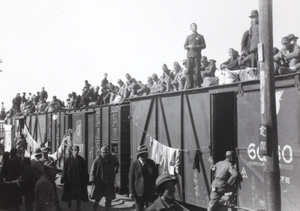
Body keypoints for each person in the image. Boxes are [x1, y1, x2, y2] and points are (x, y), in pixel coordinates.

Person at [89, 145, 120, 211]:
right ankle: (94, 209)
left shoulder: (112, 158)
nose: (105, 154)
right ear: (100, 152)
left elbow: (117, 163)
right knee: (97, 198)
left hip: (108, 183)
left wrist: (116, 168)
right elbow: (93, 170)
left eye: (106, 152)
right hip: (100, 183)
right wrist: (93, 180)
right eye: (103, 152)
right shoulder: (97, 160)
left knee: (109, 199)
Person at [129, 145, 158, 211]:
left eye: (147, 153)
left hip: (149, 191)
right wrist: (131, 192)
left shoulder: (151, 162)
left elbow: (155, 176)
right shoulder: (134, 164)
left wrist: (156, 188)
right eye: (144, 154)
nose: (146, 155)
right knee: (139, 209)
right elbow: (131, 179)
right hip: (138, 192)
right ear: (140, 155)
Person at [61, 145, 89, 210]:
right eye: (74, 150)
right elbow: (64, 169)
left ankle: (78, 208)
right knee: (70, 193)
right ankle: (69, 202)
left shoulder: (81, 160)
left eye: (77, 151)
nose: (76, 152)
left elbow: (84, 171)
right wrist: (63, 178)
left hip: (78, 181)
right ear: (72, 151)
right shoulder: (68, 159)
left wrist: (86, 179)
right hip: (70, 180)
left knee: (79, 194)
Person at [184, 23, 206, 89]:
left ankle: (197, 84)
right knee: (189, 71)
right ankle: (189, 85)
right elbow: (185, 46)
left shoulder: (200, 36)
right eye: (192, 26)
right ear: (190, 28)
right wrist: (188, 46)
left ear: (197, 27)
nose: (194, 27)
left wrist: (197, 46)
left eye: (195, 26)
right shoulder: (188, 37)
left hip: (197, 55)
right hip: (189, 55)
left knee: (197, 70)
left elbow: (204, 45)